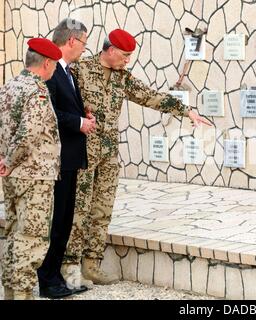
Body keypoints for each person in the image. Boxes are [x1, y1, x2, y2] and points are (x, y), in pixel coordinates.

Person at [61, 29, 212, 287]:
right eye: (125, 55)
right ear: (110, 50)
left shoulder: (122, 78)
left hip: (108, 154)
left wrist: (186, 112)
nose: (128, 60)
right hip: (83, 152)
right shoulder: (80, 70)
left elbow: (150, 96)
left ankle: (91, 264)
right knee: (79, 208)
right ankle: (69, 264)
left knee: (102, 209)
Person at [36, 18, 97, 299]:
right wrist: (77, 123)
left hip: (70, 158)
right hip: (55, 160)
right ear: (71, 41)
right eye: (84, 42)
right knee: (56, 220)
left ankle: (55, 276)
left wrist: (82, 116)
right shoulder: (50, 71)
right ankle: (47, 279)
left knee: (65, 220)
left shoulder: (67, 72)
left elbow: (65, 108)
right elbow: (49, 113)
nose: (85, 49)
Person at [0, 38, 62, 300]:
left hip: (13, 175)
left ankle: (11, 291)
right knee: (32, 237)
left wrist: (6, 161)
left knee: (14, 234)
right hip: (34, 174)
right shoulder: (36, 90)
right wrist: (11, 159)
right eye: (55, 65)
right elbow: (29, 133)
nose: (55, 70)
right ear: (47, 63)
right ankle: (22, 294)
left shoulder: (9, 86)